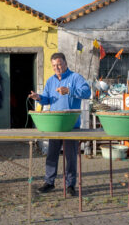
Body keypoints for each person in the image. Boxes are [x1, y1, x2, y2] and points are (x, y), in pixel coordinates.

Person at [28, 52, 91, 195]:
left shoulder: (75, 77)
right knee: (52, 155)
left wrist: (69, 90)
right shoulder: (50, 81)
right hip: (54, 125)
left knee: (70, 157)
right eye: (54, 65)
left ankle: (70, 185)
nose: (57, 67)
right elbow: (47, 99)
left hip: (71, 126)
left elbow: (87, 92)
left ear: (65, 63)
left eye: (59, 64)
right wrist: (38, 97)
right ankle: (49, 182)